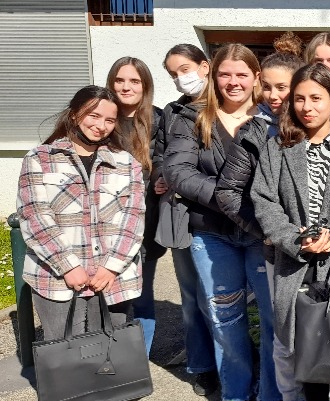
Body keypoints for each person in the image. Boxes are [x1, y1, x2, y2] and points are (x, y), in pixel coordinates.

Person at [250, 63, 330, 401]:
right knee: (304, 353)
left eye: (316, 98)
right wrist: (295, 239)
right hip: (297, 267)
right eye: (300, 99)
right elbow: (264, 201)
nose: (307, 107)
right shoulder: (278, 148)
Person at [164, 43, 279, 401]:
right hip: (213, 235)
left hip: (262, 235)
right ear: (213, 76)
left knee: (273, 319)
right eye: (225, 74)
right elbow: (178, 171)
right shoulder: (193, 118)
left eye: (241, 74)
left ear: (256, 76)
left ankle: (271, 394)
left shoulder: (273, 120)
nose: (233, 82)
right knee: (226, 320)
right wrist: (229, 199)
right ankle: (236, 393)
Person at [215, 32, 304, 401]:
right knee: (278, 328)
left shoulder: (315, 126)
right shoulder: (253, 132)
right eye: (267, 87)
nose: (273, 95)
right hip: (273, 248)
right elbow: (228, 192)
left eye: (282, 87)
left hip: (317, 246)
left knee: (311, 325)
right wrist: (265, 229)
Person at [18, 85, 144, 340]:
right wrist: (67, 266)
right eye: (93, 115)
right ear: (75, 114)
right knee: (64, 351)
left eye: (109, 120)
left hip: (112, 279)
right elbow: (35, 215)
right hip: (56, 278)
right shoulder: (40, 158)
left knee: (111, 351)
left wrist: (111, 267)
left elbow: (133, 219)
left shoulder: (126, 163)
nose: (101, 126)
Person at [153, 43, 220, 396]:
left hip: (221, 214)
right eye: (173, 74)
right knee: (192, 296)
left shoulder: (226, 104)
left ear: (204, 66)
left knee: (222, 298)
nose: (180, 78)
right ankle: (203, 365)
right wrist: (161, 175)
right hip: (184, 216)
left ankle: (233, 361)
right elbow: (160, 155)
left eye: (184, 69)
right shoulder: (173, 111)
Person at [105, 56, 165, 357]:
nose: (126, 87)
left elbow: (165, 159)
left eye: (134, 81)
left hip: (144, 224)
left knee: (140, 295)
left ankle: (136, 362)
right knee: (108, 298)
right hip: (104, 226)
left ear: (145, 86)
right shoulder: (102, 116)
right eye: (120, 80)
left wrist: (161, 177)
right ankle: (106, 360)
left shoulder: (158, 119)